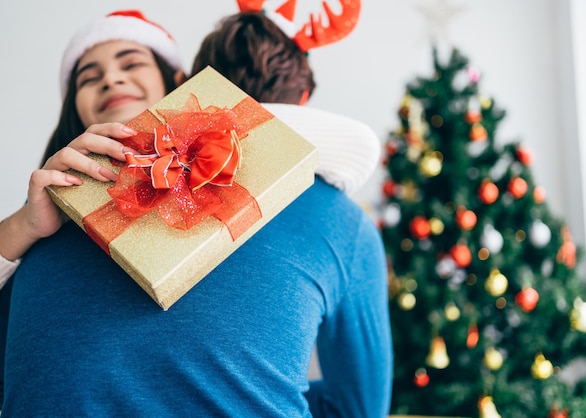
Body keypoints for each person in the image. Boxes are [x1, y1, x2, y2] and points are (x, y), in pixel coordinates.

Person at [0, 8, 392, 417]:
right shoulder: (44, 209)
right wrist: (18, 227)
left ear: (183, 84)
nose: (112, 79)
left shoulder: (327, 215)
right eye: (87, 77)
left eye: (131, 63)